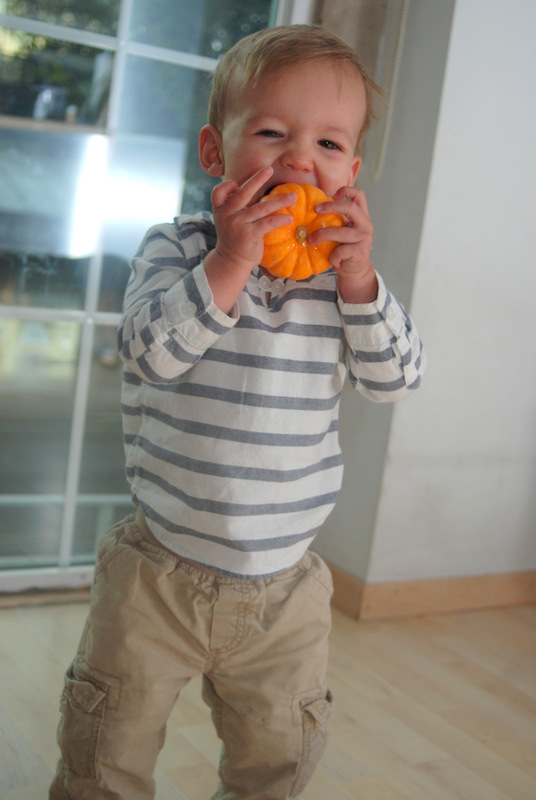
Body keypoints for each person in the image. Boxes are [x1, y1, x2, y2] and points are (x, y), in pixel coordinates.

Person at [50, 24, 425, 800]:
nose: (299, 161)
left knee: (277, 757)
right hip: (157, 573)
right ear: (214, 151)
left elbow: (396, 380)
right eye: (272, 133)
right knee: (108, 743)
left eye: (328, 144)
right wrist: (230, 259)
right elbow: (150, 353)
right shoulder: (177, 249)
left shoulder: (345, 283)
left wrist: (360, 281)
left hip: (285, 591)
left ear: (352, 173)